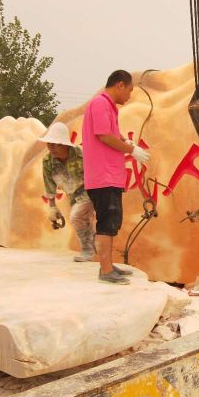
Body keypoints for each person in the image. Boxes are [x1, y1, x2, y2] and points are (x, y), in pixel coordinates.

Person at [82, 69, 151, 285]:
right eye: (129, 90)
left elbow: (113, 134)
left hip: (110, 175)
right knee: (106, 222)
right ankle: (105, 270)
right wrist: (131, 150)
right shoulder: (100, 103)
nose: (129, 96)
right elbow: (104, 136)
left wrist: (126, 142)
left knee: (111, 221)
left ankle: (109, 266)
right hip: (103, 175)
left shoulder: (109, 107)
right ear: (120, 85)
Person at [40, 122, 95, 262]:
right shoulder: (47, 161)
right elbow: (49, 184)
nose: (51, 148)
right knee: (84, 221)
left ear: (64, 144)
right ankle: (94, 248)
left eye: (55, 144)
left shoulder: (82, 154)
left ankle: (87, 250)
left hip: (90, 191)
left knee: (76, 216)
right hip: (73, 195)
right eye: (49, 144)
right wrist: (52, 207)